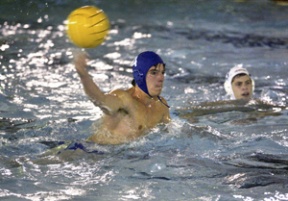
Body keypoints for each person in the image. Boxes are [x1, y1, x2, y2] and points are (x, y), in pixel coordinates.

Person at [73, 51, 171, 145]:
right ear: (139, 75)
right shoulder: (124, 99)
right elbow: (100, 99)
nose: (161, 78)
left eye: (162, 72)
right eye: (154, 73)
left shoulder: (161, 105)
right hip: (92, 152)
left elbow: (173, 132)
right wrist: (83, 73)